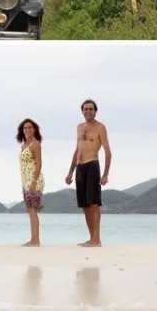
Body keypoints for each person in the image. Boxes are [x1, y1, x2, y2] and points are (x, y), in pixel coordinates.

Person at [65, 99, 111, 247]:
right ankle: (92, 238)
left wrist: (105, 174)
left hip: (92, 165)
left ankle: (97, 240)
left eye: (91, 109)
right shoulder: (79, 127)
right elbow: (77, 150)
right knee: (84, 205)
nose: (88, 111)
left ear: (95, 111)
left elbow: (108, 152)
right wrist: (70, 172)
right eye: (85, 109)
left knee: (94, 204)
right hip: (80, 167)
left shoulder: (100, 128)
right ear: (82, 111)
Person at [17, 118, 44, 247]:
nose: (27, 130)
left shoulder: (35, 144)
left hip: (34, 181)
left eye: (30, 127)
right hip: (26, 182)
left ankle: (35, 240)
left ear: (34, 130)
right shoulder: (23, 145)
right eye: (25, 128)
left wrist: (33, 181)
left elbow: (39, 164)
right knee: (30, 210)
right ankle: (33, 239)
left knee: (32, 210)